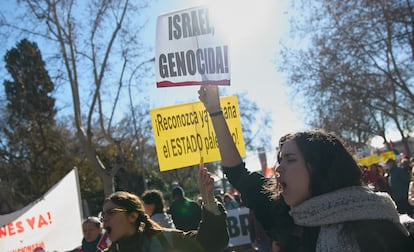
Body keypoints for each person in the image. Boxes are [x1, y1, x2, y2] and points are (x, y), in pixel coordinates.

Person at [198, 85, 414, 251]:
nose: (279, 168)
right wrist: (215, 111)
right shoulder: (284, 215)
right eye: (280, 160)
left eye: (290, 160)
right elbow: (238, 173)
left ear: (319, 167)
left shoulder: (374, 222)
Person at [100, 164, 229, 251]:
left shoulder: (166, 242)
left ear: (133, 216)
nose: (105, 219)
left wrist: (208, 198)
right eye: (103, 215)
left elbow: (210, 243)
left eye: (111, 212)